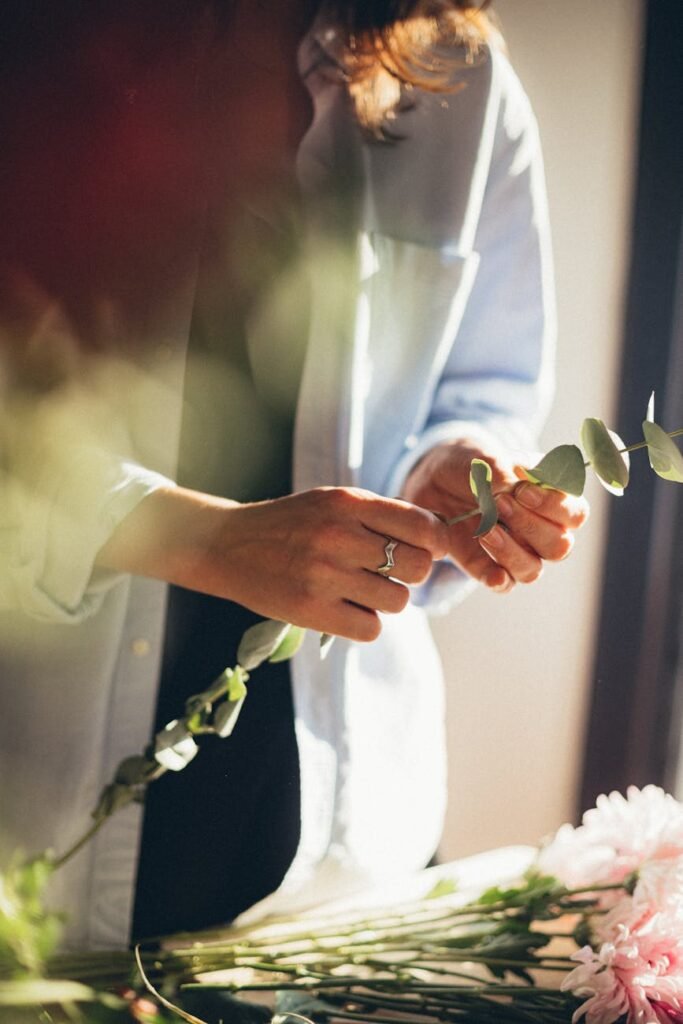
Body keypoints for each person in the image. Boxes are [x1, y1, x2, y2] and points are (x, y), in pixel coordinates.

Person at [0, 0, 587, 951]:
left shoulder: (460, 81)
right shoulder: (39, 52)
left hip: (340, 853)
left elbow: (486, 380)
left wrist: (449, 465)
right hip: (32, 821)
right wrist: (206, 541)